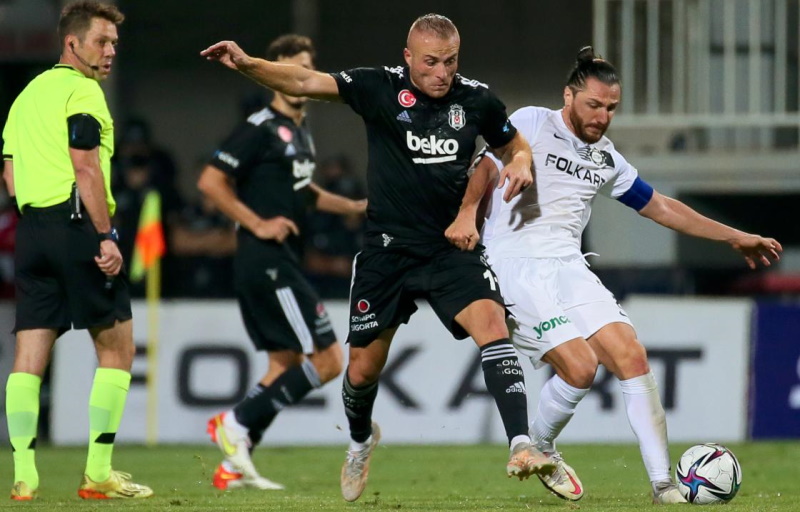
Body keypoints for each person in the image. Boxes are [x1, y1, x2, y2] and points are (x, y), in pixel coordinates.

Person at [202, 13, 554, 503]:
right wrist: (246, 63)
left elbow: (511, 141)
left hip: (450, 246)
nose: (441, 73)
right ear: (408, 57)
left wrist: (519, 159)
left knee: (493, 325)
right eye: (430, 62)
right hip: (386, 254)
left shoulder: (475, 98)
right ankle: (361, 439)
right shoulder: (377, 88)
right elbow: (304, 79)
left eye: (450, 62)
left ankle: (520, 445)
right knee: (362, 370)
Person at [470, 46, 782, 504]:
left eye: (611, 108)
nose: (602, 116)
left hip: (569, 267)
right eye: (593, 105)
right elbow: (481, 172)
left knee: (631, 356)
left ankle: (663, 486)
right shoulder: (533, 122)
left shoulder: (607, 159)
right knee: (581, 369)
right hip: (514, 264)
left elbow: (661, 206)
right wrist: (464, 225)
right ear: (569, 95)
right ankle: (538, 446)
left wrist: (732, 235)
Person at [198, 34, 367, 491]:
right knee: (329, 360)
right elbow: (212, 182)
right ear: (273, 72)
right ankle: (235, 421)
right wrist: (257, 223)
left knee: (283, 364)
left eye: (306, 68)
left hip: (276, 259)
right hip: (267, 259)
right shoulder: (259, 126)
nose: (299, 78)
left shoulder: (300, 132)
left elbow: (303, 191)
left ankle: (235, 464)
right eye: (291, 68)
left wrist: (351, 208)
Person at [1, 1, 152, 501]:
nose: (110, 51)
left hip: (32, 231)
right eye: (101, 42)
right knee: (117, 348)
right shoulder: (83, 91)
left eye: (114, 43)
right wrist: (105, 236)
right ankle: (98, 472)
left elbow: (9, 173)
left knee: (28, 354)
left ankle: (23, 474)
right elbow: (84, 164)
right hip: (77, 225)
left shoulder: (25, 96)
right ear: (73, 43)